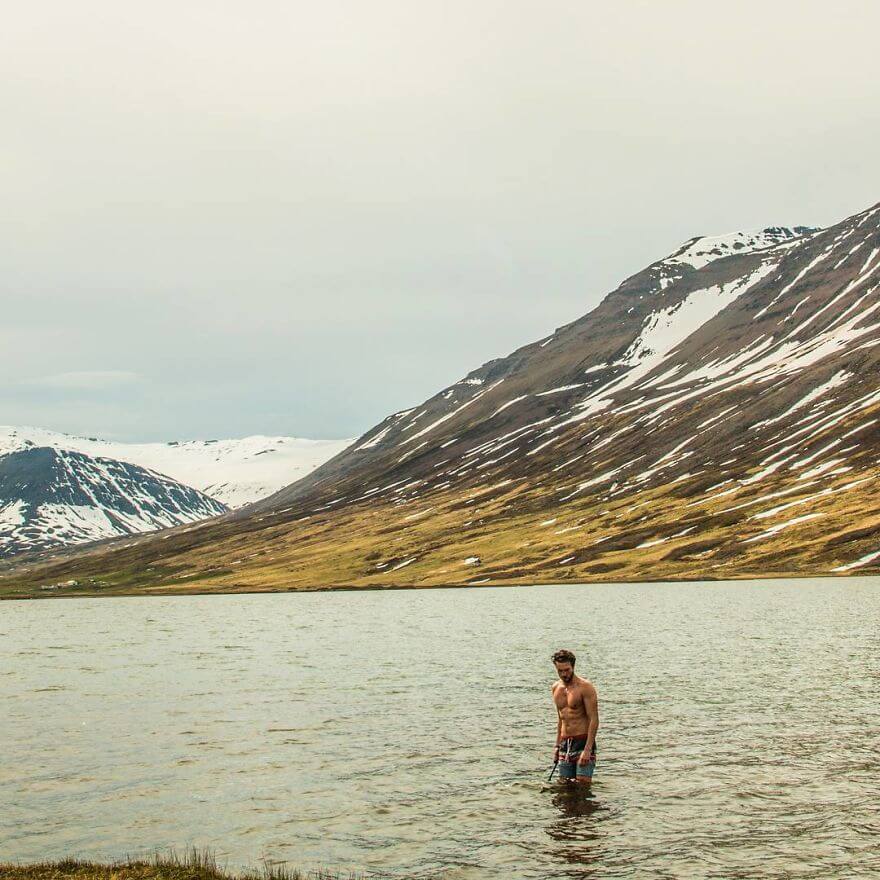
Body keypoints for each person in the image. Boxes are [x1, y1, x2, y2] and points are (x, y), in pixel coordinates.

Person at [550, 648, 599, 785]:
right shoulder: (556, 688)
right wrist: (557, 746)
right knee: (565, 788)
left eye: (567, 670)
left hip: (582, 741)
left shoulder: (585, 687)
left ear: (573, 666)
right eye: (560, 671)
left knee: (583, 787)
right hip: (565, 744)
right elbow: (561, 719)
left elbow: (593, 719)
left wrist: (587, 749)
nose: (564, 674)